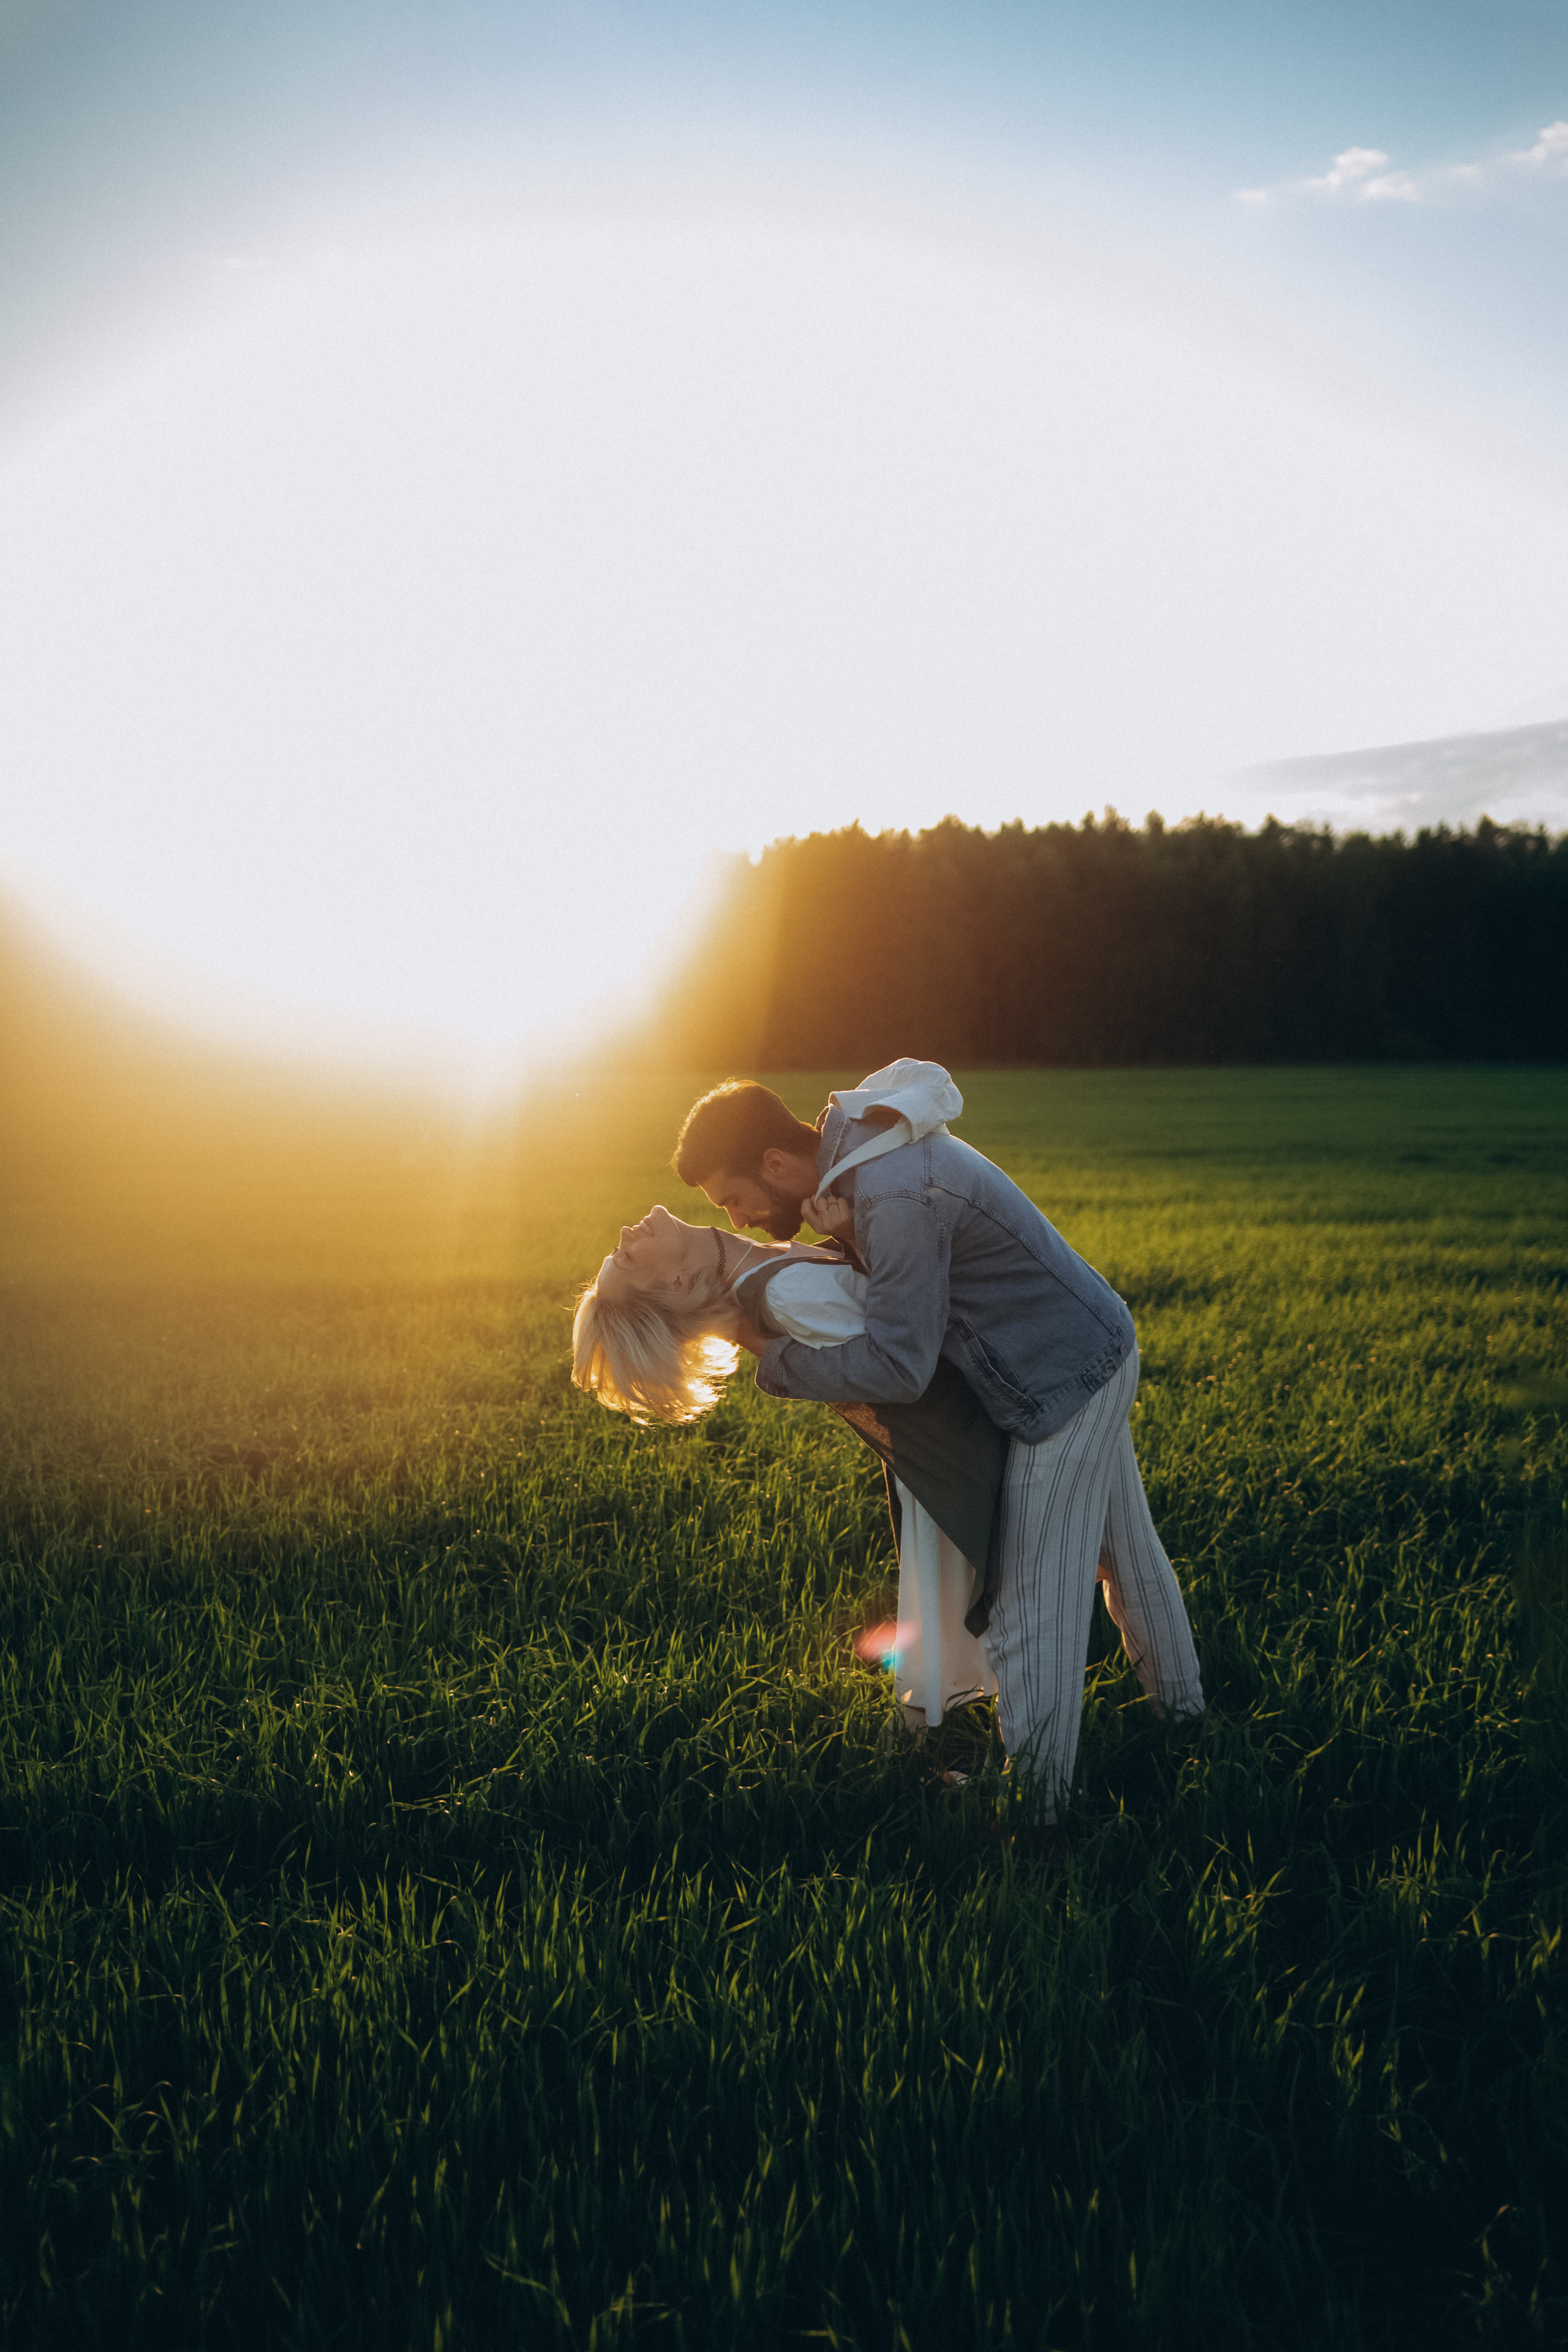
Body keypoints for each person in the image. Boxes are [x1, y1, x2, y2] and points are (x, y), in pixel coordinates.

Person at [670, 1060, 1205, 1828]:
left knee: (1030, 1604)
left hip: (1056, 1378)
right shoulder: (864, 1168)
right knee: (1126, 1555)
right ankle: (1184, 1725)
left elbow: (900, 1364)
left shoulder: (890, 1196)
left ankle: (1037, 1807)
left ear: (778, 1164)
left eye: (734, 1200)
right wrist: (846, 1237)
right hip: (1087, 1344)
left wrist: (771, 1355)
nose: (741, 1220)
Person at [572, 1204, 1001, 1725]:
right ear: (679, 1284)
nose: (624, 1230)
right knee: (1022, 1610)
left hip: (956, 1449)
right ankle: (983, 1760)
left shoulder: (768, 1273)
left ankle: (942, 1742)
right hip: (965, 1449)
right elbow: (908, 1338)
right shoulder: (784, 1293)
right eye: (626, 1256)